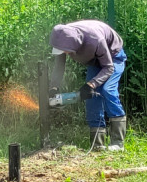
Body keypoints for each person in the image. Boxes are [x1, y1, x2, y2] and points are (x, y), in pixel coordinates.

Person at [49, 20, 127, 151]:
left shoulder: (95, 40)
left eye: (65, 51)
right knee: (91, 98)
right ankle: (97, 145)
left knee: (107, 90)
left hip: (113, 57)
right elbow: (59, 66)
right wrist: (53, 88)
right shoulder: (62, 39)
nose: (64, 53)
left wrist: (91, 84)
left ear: (73, 44)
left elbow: (108, 68)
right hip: (95, 61)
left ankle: (118, 143)